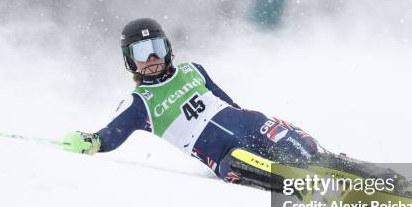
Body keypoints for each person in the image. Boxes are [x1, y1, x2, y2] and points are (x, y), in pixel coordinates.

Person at [62, 18, 327, 186]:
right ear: (130, 61)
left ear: (167, 48)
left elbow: (229, 103)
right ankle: (319, 193)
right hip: (228, 156)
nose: (153, 57)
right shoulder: (140, 103)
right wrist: (92, 140)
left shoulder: (193, 70)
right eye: (142, 52)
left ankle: (350, 172)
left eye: (157, 48)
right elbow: (111, 135)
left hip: (253, 126)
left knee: (312, 157)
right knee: (268, 169)